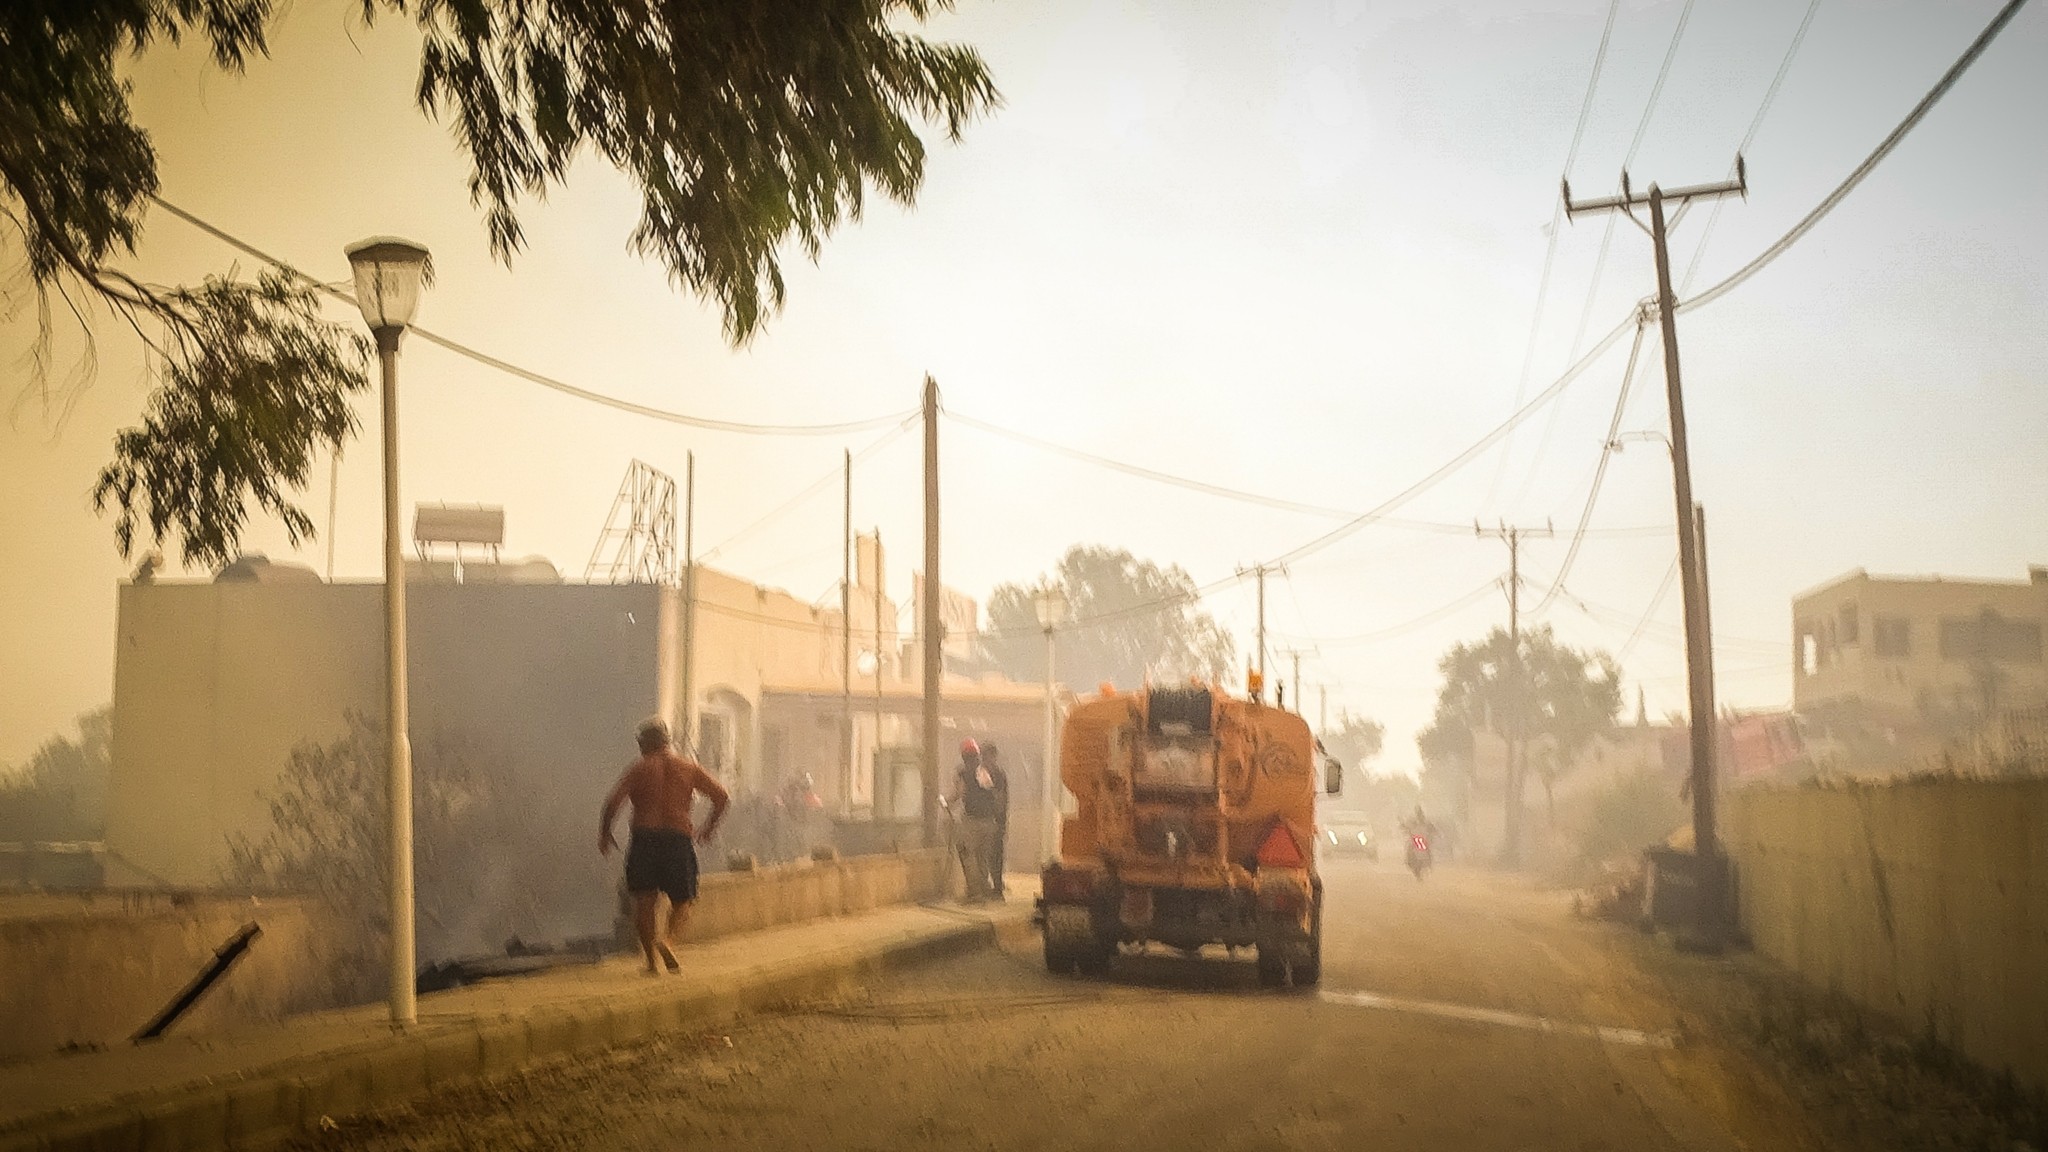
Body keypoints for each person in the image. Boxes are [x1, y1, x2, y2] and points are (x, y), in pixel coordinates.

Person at [600, 719, 730, 974]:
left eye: (640, 742)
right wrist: (708, 829)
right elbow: (722, 797)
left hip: (644, 838)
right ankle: (668, 941)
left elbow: (613, 801)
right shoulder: (688, 768)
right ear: (666, 741)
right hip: (677, 837)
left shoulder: (639, 769)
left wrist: (604, 833)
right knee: (684, 899)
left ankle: (651, 963)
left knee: (644, 901)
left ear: (646, 742)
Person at [946, 738, 1001, 904]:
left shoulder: (962, 772)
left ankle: (975, 894)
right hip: (989, 822)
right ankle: (983, 891)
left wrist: (945, 802)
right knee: (982, 858)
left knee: (968, 856)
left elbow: (959, 794)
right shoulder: (983, 771)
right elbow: (993, 796)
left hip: (972, 821)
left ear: (963, 756)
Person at [978, 742, 1012, 899]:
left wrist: (997, 819)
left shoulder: (997, 775)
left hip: (995, 821)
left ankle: (997, 888)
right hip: (989, 820)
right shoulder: (985, 773)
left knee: (995, 855)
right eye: (983, 756)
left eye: (987, 755)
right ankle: (990, 887)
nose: (985, 759)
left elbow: (1000, 799)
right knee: (985, 855)